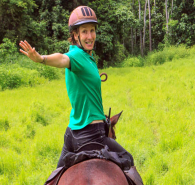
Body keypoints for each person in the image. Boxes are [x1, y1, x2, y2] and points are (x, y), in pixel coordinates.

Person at [19, 6, 142, 183]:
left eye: (92, 30)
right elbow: (63, 59)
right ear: (76, 35)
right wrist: (41, 59)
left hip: (72, 136)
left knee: (52, 179)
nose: (90, 36)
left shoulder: (88, 58)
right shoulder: (76, 55)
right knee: (128, 160)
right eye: (84, 31)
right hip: (93, 135)